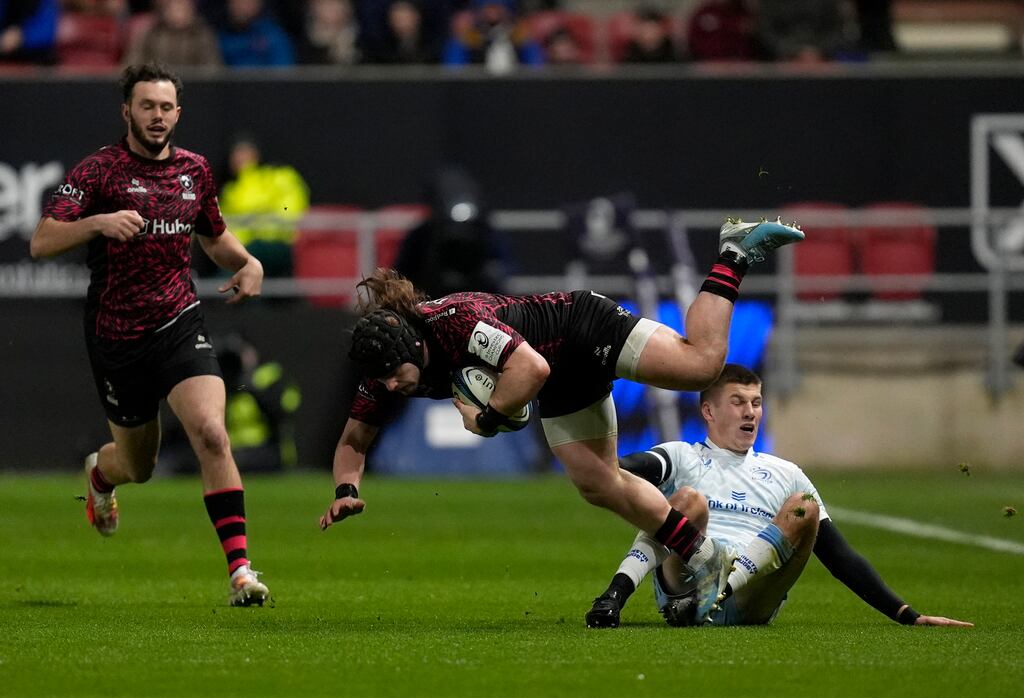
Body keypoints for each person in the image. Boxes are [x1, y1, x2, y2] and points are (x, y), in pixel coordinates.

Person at [319, 216, 806, 618]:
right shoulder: (386, 369)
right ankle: (705, 557)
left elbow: (530, 368)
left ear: (413, 346)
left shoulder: (454, 323)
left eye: (391, 376)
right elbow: (354, 441)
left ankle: (734, 251)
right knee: (598, 483)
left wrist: (487, 418)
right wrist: (347, 490)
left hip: (578, 329)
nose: (388, 387)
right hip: (558, 379)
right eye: (379, 381)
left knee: (701, 365)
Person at [29, 63, 270, 608]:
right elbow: (42, 241)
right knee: (138, 466)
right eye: (146, 106)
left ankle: (240, 571)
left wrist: (248, 261)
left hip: (180, 322)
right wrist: (97, 223)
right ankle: (100, 477)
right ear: (127, 112)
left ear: (177, 113)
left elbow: (214, 237)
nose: (157, 117)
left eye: (165, 108)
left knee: (212, 431)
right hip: (117, 336)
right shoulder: (98, 172)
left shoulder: (196, 170)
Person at [585, 364, 974, 629]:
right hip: (685, 585)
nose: (750, 412)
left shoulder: (786, 473)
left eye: (755, 402)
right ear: (708, 410)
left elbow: (840, 559)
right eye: (737, 402)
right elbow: (622, 470)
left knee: (803, 506)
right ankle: (616, 595)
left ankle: (724, 589)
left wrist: (905, 613)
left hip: (752, 594)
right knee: (686, 501)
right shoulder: (682, 456)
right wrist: (589, 457)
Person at [218, 134, 310, 278]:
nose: (240, 158)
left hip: (279, 244)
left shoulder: (278, 176)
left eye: (245, 152)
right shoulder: (230, 191)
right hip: (246, 247)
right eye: (236, 153)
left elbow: (290, 209)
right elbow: (229, 227)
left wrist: (262, 223)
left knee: (243, 262)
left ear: (256, 154)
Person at [122, 0, 222, 68]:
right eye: (174, 4)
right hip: (155, 89)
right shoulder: (150, 33)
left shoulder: (203, 35)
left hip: (195, 91)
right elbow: (132, 64)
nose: (178, 9)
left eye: (182, 4)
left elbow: (211, 70)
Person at [217, 0, 295, 68]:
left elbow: (283, 74)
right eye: (237, 1)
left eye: (248, 1)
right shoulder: (218, 36)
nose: (242, 6)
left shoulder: (272, 35)